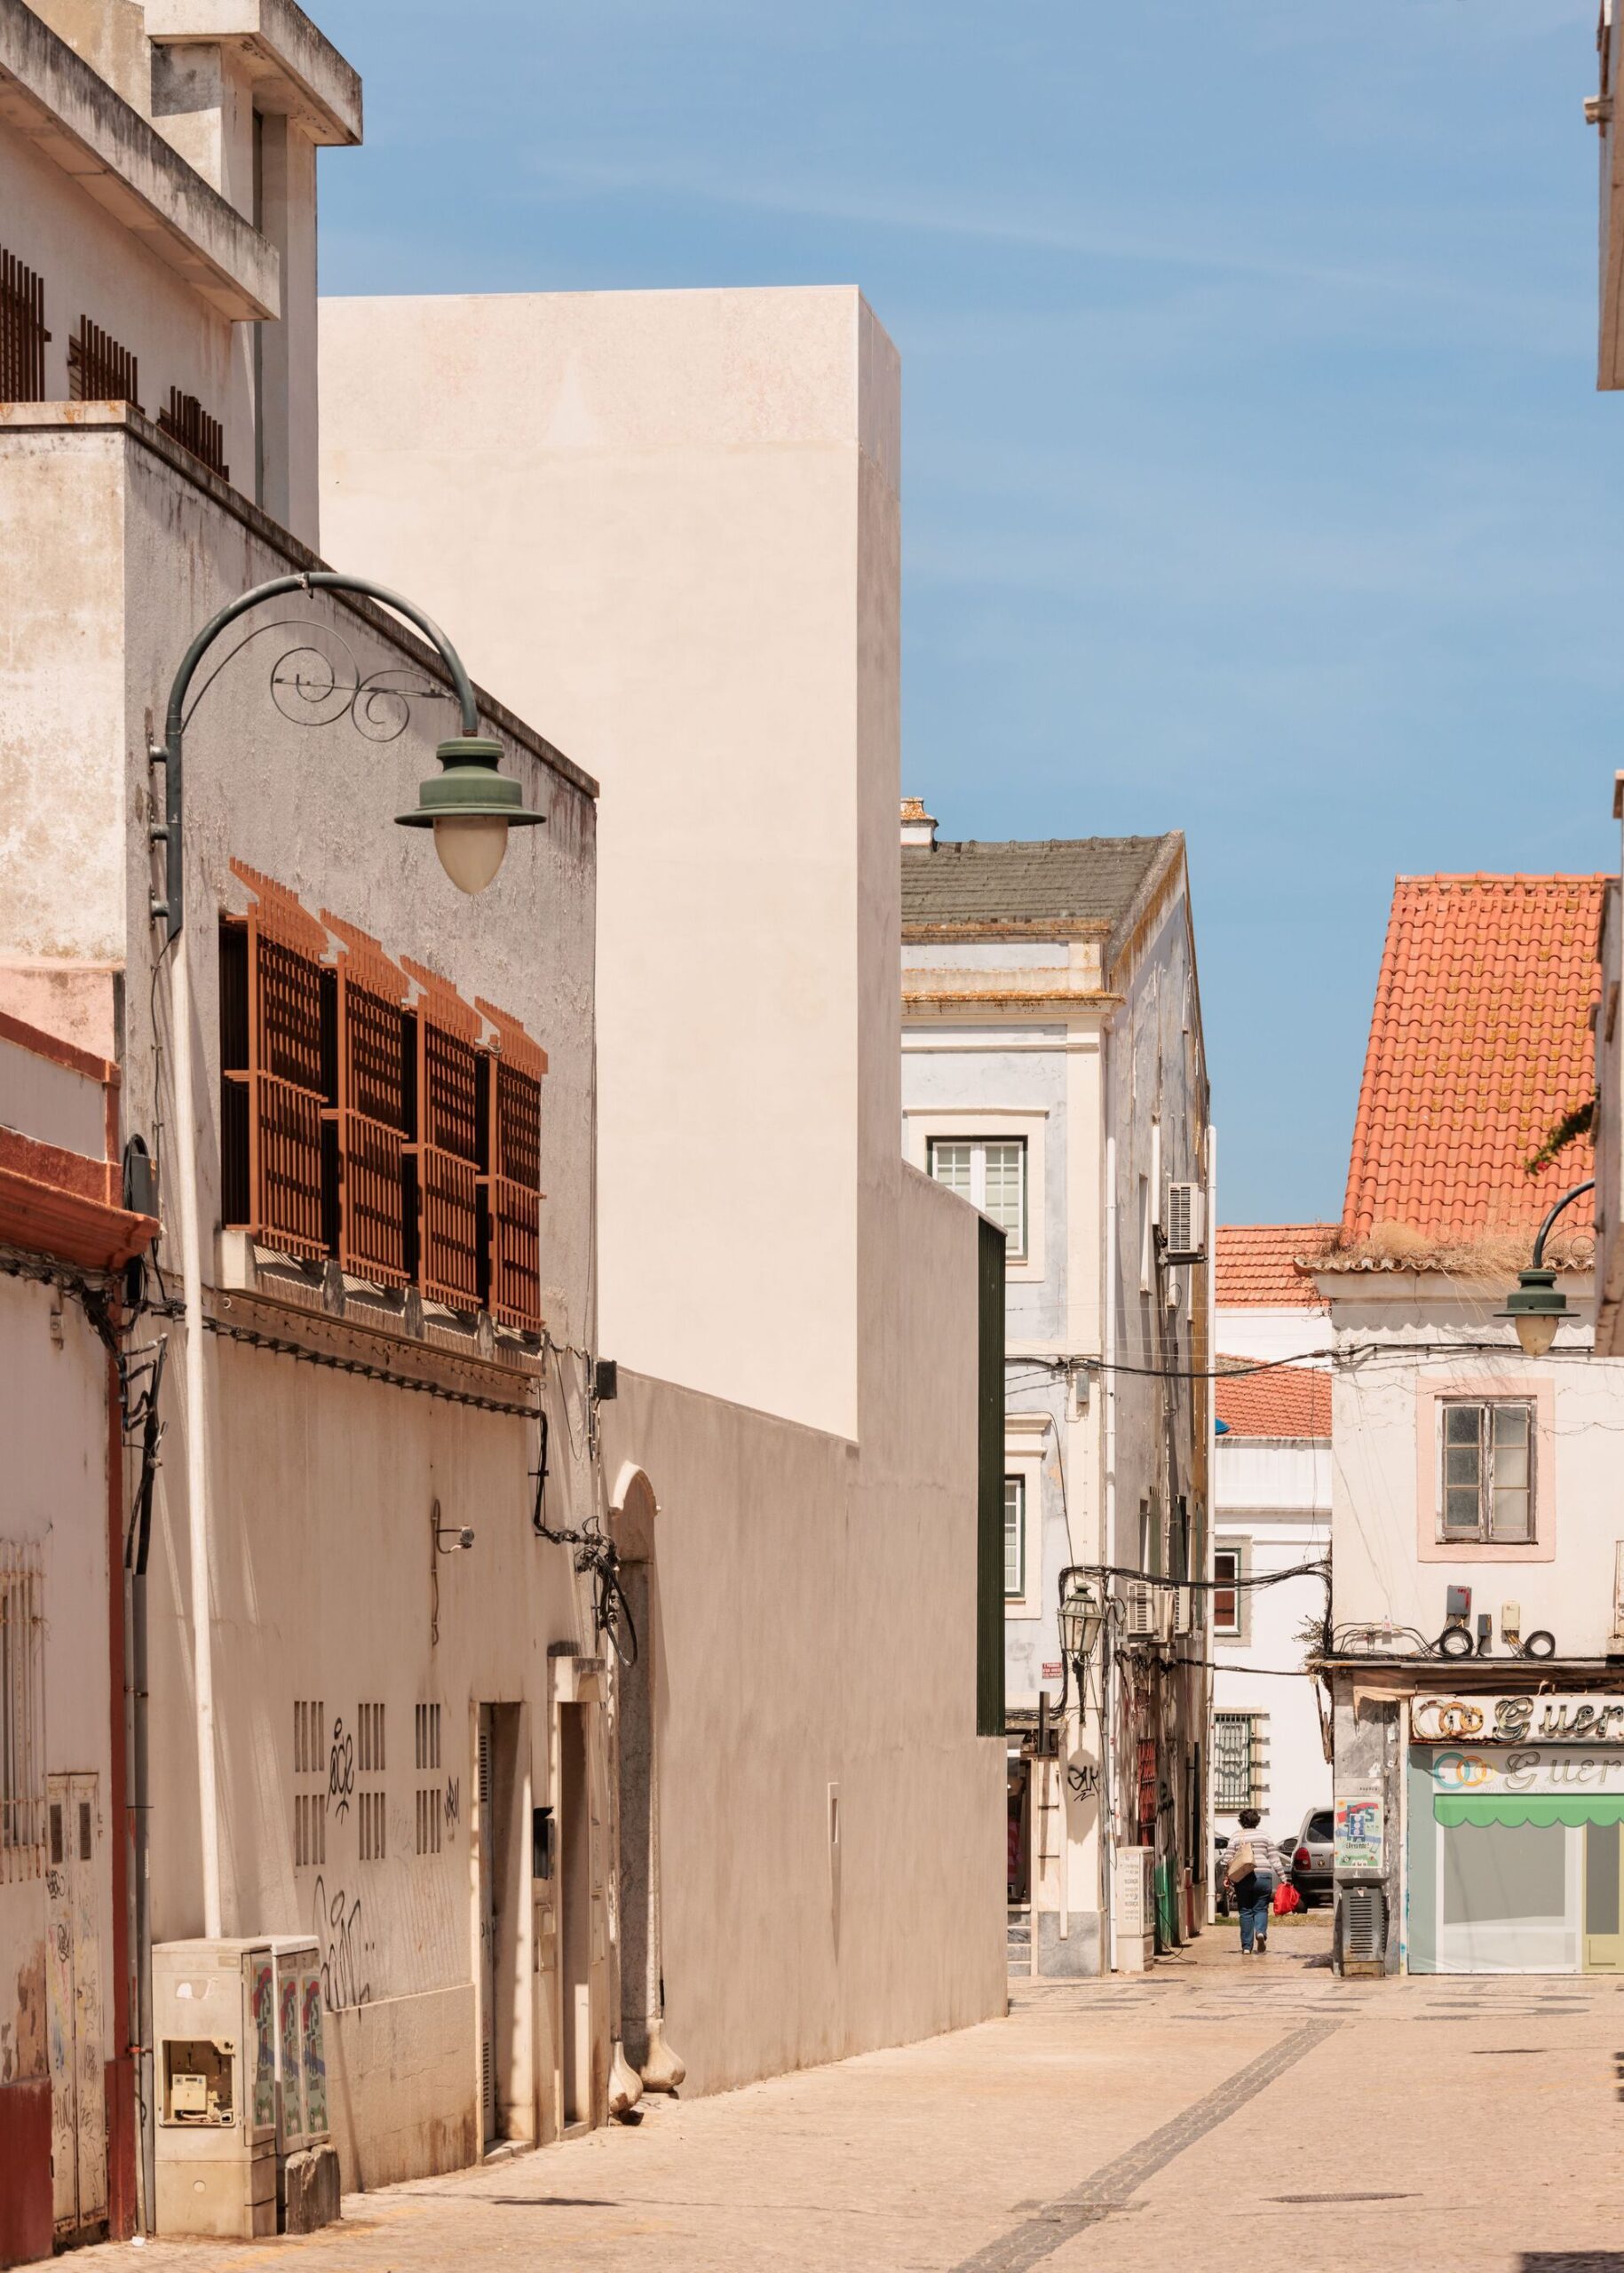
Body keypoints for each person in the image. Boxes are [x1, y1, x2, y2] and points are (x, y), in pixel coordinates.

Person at [1224, 1807, 1285, 1955]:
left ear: (1241, 1822)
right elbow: (1274, 1858)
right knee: (1261, 1908)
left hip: (1244, 1876)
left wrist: (1227, 1877)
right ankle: (1261, 1933)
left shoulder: (1236, 1837)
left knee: (1245, 1911)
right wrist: (1283, 1878)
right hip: (1263, 1876)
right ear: (1257, 1821)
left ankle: (1246, 1947)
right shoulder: (1265, 1836)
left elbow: (1226, 1859)